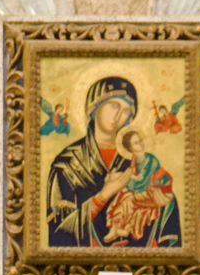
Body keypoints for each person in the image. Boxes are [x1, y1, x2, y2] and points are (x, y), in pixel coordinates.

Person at [45, 76, 182, 248]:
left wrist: (162, 200)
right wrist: (103, 196)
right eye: (114, 105)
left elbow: (159, 196)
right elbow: (59, 233)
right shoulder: (67, 165)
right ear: (94, 107)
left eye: (126, 111)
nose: (119, 116)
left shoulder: (134, 160)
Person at [102, 130, 178, 247]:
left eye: (140, 141)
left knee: (129, 200)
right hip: (141, 191)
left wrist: (128, 180)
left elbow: (143, 184)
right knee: (123, 196)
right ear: (130, 148)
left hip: (156, 191)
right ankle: (116, 227)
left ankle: (124, 228)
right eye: (136, 143)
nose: (141, 144)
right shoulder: (133, 161)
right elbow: (134, 182)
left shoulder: (151, 160)